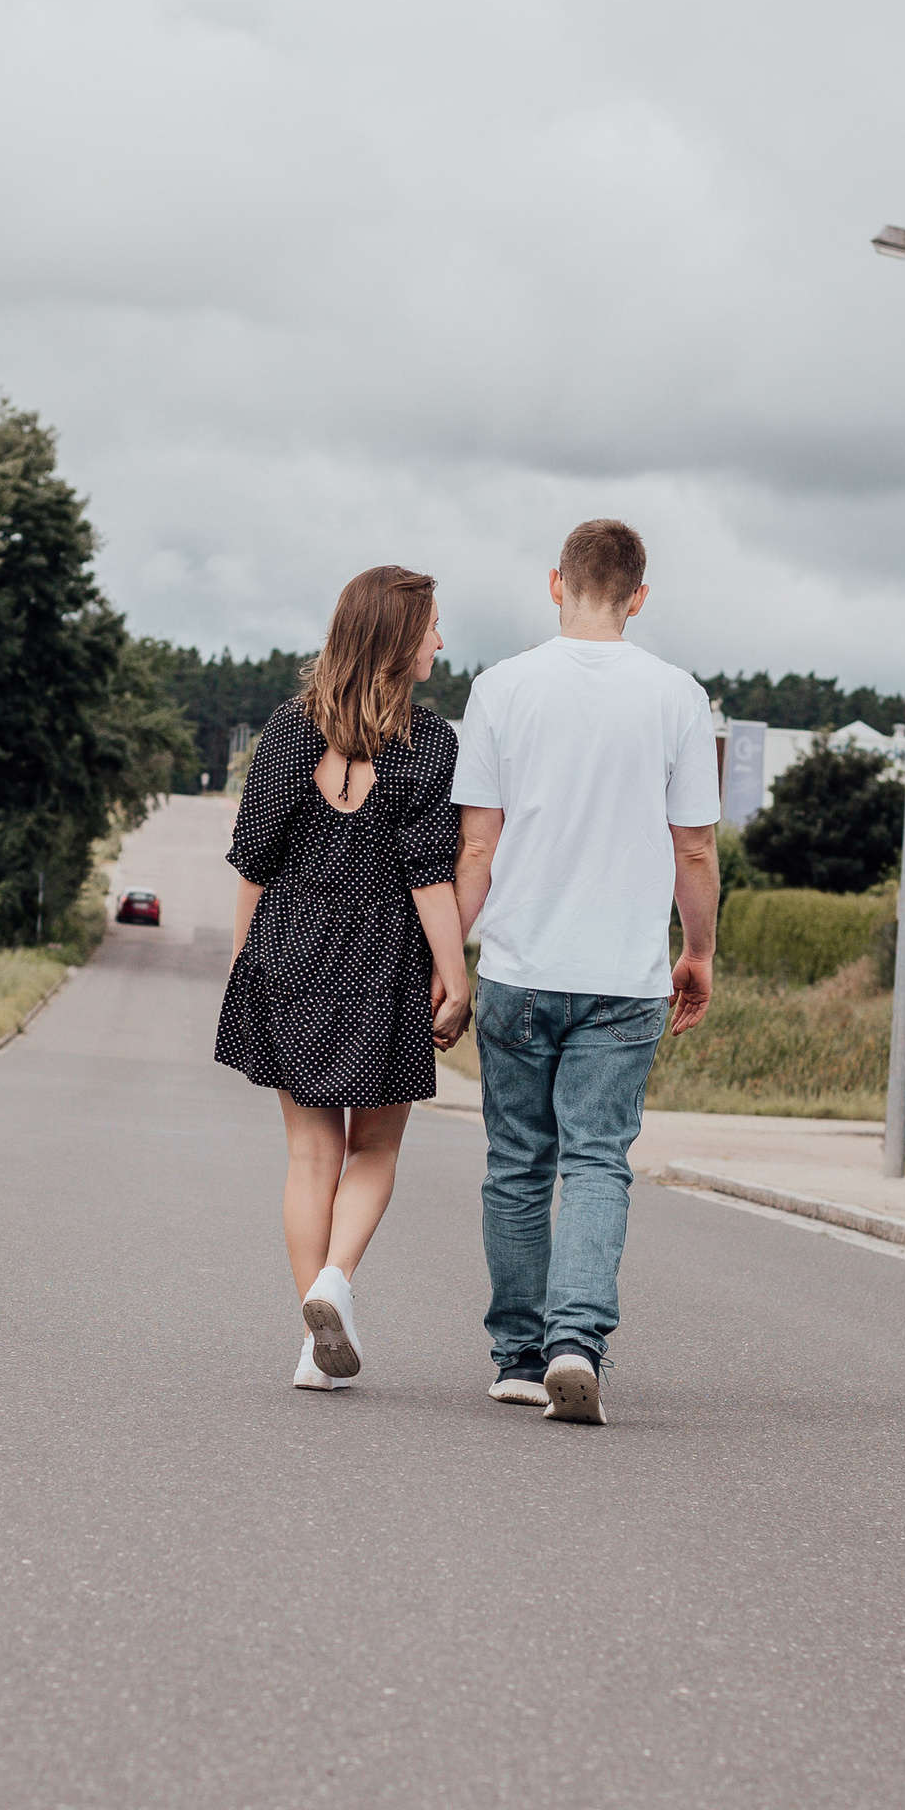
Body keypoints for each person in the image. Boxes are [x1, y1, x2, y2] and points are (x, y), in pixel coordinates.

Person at [452, 517, 720, 1425]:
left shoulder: (499, 689)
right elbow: (695, 852)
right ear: (639, 597)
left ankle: (520, 1357)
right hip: (624, 978)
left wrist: (450, 961)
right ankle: (577, 1344)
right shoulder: (680, 696)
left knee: (518, 1163)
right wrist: (699, 952)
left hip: (521, 967)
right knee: (599, 1161)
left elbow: (477, 845)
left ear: (555, 583)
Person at [216, 566, 473, 1392]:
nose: (441, 640)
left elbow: (253, 862)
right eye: (433, 626)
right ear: (401, 638)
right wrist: (456, 976)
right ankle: (337, 1283)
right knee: (377, 1146)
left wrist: (241, 965)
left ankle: (310, 1343)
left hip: (290, 950)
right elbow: (430, 875)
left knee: (308, 1153)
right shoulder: (430, 745)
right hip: (382, 963)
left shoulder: (291, 730)